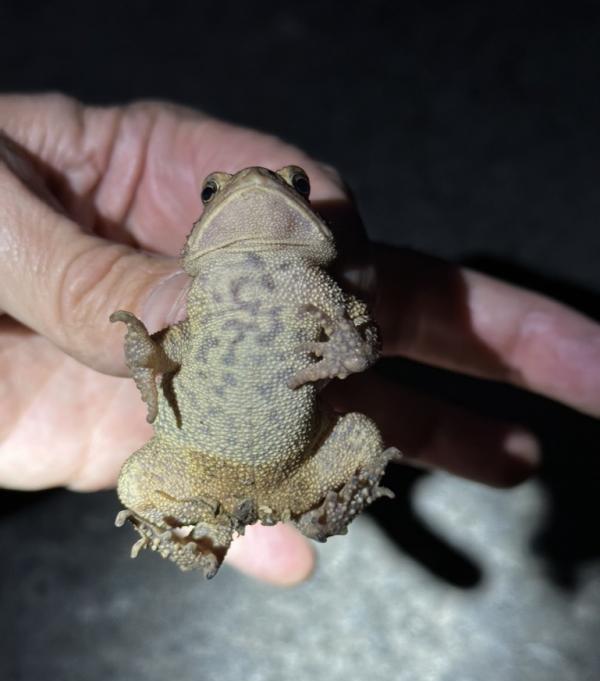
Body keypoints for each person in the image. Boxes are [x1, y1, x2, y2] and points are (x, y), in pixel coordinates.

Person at [1, 94, 598, 584]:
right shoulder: (203, 289)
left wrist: (342, 350)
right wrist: (143, 348)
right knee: (137, 481)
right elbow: (158, 348)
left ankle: (322, 507)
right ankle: (192, 539)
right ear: (201, 225)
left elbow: (361, 348)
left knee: (361, 435)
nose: (258, 183)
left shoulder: (320, 288)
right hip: (196, 459)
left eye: (296, 185)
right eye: (213, 191)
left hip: (301, 457)